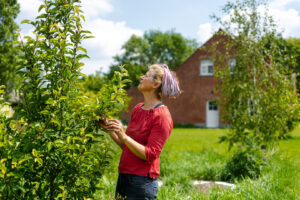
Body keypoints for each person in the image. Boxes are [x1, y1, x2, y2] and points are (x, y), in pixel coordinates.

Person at [99, 64, 181, 200]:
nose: (141, 77)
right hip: (124, 177)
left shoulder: (162, 116)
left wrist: (123, 135)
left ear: (156, 84)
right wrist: (110, 129)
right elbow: (127, 147)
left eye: (147, 75)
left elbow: (150, 154)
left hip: (141, 183)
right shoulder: (138, 109)